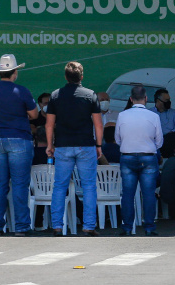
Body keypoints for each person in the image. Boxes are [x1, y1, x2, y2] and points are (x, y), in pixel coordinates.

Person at [46, 61, 102, 236]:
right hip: (85, 144)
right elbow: (98, 125)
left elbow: (49, 125)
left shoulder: (55, 96)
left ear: (65, 77)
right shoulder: (90, 95)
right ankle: (88, 226)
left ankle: (57, 225)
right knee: (89, 187)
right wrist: (99, 145)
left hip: (63, 145)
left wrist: (49, 144)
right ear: (81, 77)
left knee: (60, 186)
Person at [0, 54, 39, 236]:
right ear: (15, 72)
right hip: (18, 139)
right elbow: (34, 115)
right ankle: (21, 227)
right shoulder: (21, 90)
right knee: (19, 184)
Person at [115, 84, 162, 236]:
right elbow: (159, 141)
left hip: (127, 156)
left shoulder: (122, 115)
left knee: (128, 194)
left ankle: (127, 227)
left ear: (130, 99)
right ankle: (149, 228)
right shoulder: (154, 116)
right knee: (148, 194)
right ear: (146, 99)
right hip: (148, 156)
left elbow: (117, 139)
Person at [151, 88, 175, 157]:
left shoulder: (174, 112)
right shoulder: (150, 113)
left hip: (169, 139)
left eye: (169, 100)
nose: (169, 102)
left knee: (174, 136)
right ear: (158, 101)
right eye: (166, 100)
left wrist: (172, 132)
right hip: (155, 140)